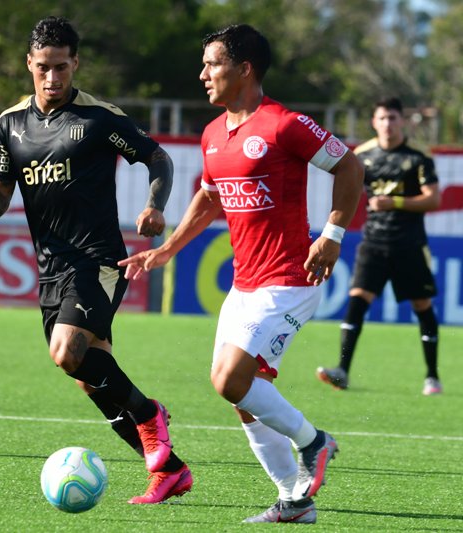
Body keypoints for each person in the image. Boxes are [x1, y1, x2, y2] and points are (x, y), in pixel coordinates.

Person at [120, 24, 364, 523]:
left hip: (288, 281)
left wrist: (333, 234)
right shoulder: (213, 133)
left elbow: (350, 167)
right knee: (245, 398)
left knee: (229, 379)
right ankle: (293, 500)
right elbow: (210, 197)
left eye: (213, 64)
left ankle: (313, 442)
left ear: (244, 69)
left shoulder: (284, 124)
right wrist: (167, 250)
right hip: (244, 285)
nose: (203, 74)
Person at [0, 16, 191, 504]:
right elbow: (1, 185)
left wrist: (155, 205)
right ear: (29, 63)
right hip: (51, 267)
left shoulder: (98, 118)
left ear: (75, 64)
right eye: (43, 67)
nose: (52, 77)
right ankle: (169, 469)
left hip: (98, 259)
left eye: (61, 67)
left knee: (67, 351)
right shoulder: (9, 123)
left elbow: (158, 158)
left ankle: (150, 415)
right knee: (89, 379)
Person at [317, 97, 442, 395]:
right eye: (382, 118)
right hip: (374, 240)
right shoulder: (361, 155)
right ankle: (342, 371)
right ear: (374, 122)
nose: (388, 124)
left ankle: (432, 376)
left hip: (409, 243)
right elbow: (344, 188)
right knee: (357, 299)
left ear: (402, 122)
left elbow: (434, 199)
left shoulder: (417, 157)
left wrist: (395, 202)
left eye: (393, 118)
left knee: (422, 305)